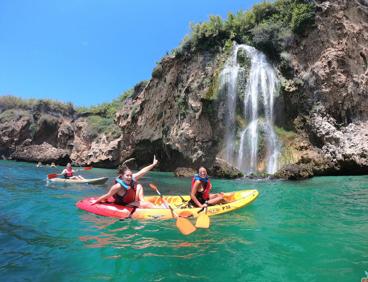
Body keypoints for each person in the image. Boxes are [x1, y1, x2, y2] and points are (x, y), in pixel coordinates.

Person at [92, 156, 158, 208]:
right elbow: (108, 195)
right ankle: (160, 209)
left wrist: (153, 164)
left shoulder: (131, 178)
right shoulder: (118, 186)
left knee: (138, 186)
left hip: (132, 200)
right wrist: (96, 201)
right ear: (122, 176)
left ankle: (142, 201)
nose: (129, 177)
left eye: (130, 175)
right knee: (148, 204)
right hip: (125, 205)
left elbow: (143, 171)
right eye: (127, 175)